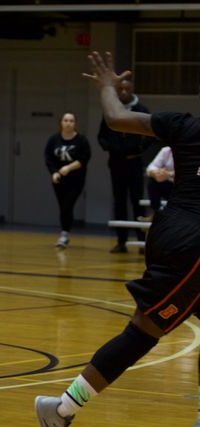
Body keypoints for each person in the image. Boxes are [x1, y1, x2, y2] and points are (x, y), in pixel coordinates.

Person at [35, 50, 200, 427]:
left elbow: (116, 118)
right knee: (143, 333)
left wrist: (108, 87)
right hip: (192, 243)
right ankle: (61, 410)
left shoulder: (186, 125)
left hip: (170, 228)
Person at [98, 78, 150, 253]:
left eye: (127, 89)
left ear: (132, 90)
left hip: (134, 160)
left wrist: (141, 147)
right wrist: (110, 147)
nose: (124, 92)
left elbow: (152, 135)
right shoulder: (111, 112)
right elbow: (101, 136)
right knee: (119, 200)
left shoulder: (141, 110)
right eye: (121, 89)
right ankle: (121, 241)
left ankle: (142, 241)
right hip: (116, 162)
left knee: (137, 201)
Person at [44, 112, 91, 249]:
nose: (68, 123)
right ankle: (64, 233)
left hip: (76, 180)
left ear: (75, 123)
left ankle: (64, 235)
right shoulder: (54, 140)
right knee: (62, 206)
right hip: (59, 179)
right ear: (61, 123)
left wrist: (69, 168)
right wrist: (53, 173)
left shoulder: (81, 140)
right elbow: (49, 158)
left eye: (71, 120)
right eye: (65, 120)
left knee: (67, 205)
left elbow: (84, 158)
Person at [141, 145, 174, 221]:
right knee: (153, 181)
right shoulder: (167, 150)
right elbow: (151, 167)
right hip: (171, 185)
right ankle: (156, 212)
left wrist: (169, 174)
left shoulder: (193, 151)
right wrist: (156, 173)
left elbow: (194, 173)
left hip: (187, 186)